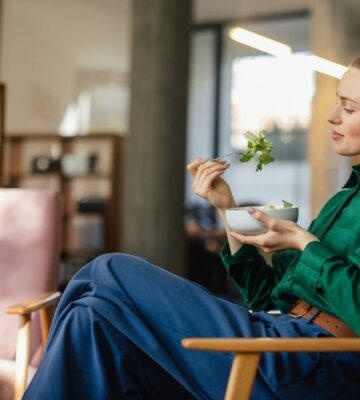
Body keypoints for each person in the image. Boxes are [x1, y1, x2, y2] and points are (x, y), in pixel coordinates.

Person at [24, 58, 360, 400]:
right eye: (337, 101)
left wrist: (306, 244)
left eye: (348, 108)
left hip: (317, 366)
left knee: (106, 270)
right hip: (283, 341)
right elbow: (266, 298)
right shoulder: (344, 199)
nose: (333, 115)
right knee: (92, 320)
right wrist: (226, 207)